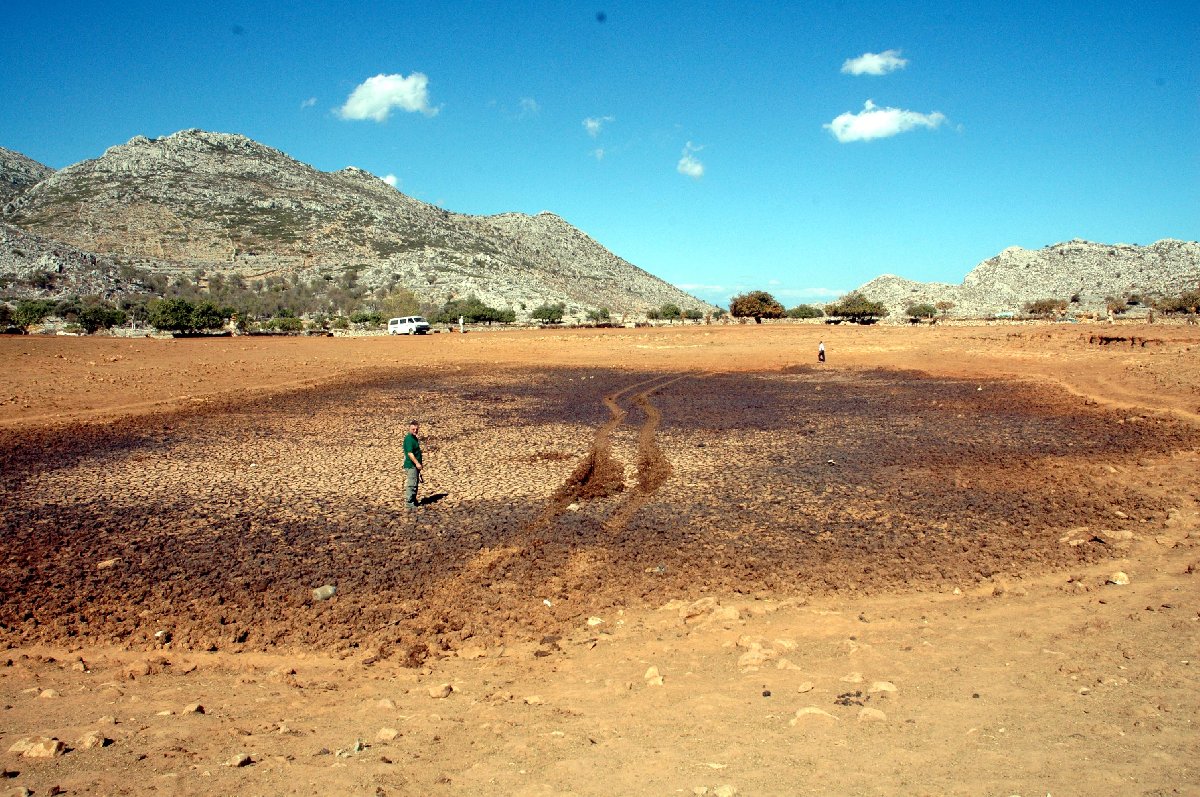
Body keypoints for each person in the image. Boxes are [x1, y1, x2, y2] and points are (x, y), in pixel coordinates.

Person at [403, 419, 423, 510]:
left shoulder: (414, 438)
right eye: (413, 429)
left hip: (415, 466)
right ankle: (409, 503)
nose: (415, 431)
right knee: (411, 484)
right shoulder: (409, 439)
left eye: (416, 429)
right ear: (409, 429)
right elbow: (410, 453)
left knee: (415, 483)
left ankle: (413, 501)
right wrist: (417, 463)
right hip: (411, 466)